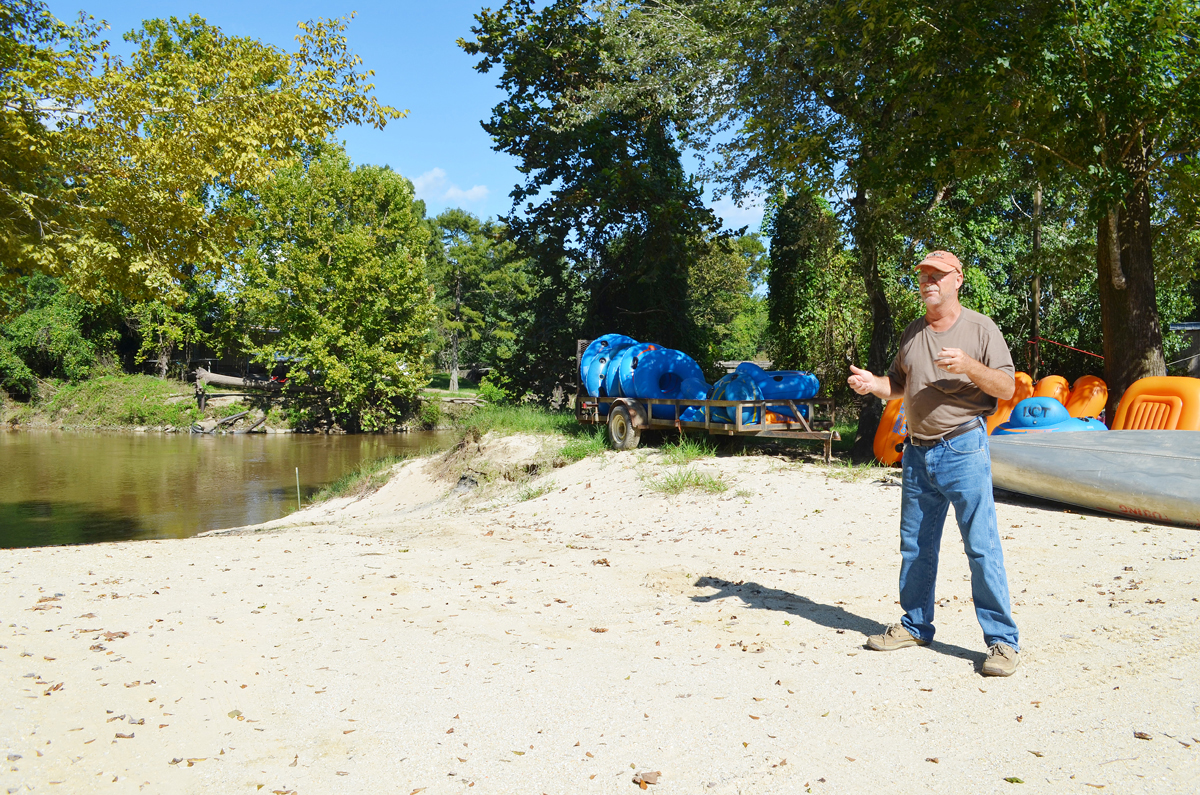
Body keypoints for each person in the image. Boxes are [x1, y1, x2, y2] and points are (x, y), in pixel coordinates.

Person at [847, 250, 1021, 677]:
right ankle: (915, 625)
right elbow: (899, 386)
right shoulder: (912, 333)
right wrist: (874, 385)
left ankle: (1002, 643)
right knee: (916, 546)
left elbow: (1007, 388)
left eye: (937, 275)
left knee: (980, 547)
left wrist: (968, 365)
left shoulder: (980, 329)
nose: (928, 281)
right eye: (924, 275)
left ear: (957, 279)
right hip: (917, 452)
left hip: (963, 448)